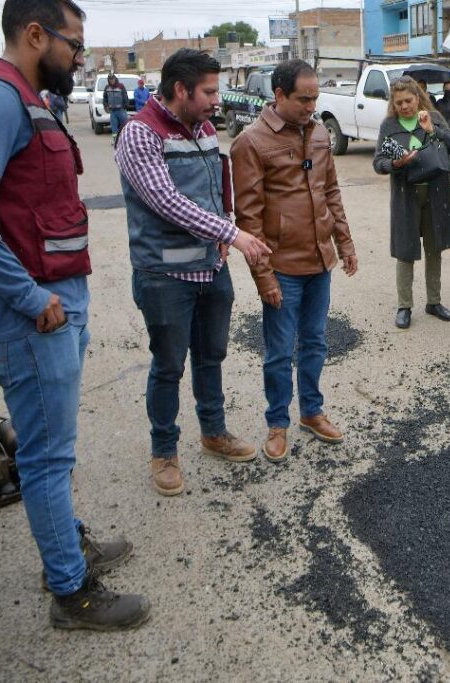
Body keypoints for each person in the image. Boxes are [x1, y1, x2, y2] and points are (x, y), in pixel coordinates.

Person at [0, 0, 150, 630]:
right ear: (35, 33)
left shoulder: (28, 97)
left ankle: (67, 546)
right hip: (31, 314)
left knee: (50, 448)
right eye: (73, 44)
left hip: (52, 304)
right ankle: (73, 592)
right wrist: (27, 295)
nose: (79, 56)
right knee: (46, 456)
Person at [116, 48, 271, 496]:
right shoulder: (140, 134)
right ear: (180, 90)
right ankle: (164, 451)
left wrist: (225, 228)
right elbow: (167, 202)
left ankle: (213, 431)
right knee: (168, 366)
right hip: (165, 275)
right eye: (207, 91)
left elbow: (212, 186)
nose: (215, 100)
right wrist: (234, 233)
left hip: (210, 267)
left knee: (212, 357)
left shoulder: (203, 129)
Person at [231, 60, 358, 461]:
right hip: (282, 268)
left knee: (316, 343)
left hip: (320, 262)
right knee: (279, 351)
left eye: (315, 98)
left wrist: (345, 243)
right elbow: (248, 218)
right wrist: (263, 277)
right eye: (303, 99)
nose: (311, 106)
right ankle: (277, 423)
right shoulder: (251, 143)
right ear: (279, 95)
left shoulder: (319, 133)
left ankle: (312, 411)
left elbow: (331, 192)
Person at [373, 76, 450, 330]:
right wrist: (395, 164)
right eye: (399, 103)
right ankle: (404, 306)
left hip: (435, 194)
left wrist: (433, 129)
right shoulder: (389, 125)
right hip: (405, 195)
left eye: (408, 100)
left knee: (434, 249)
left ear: (418, 97)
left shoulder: (433, 117)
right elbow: (378, 162)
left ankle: (434, 302)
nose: (404, 107)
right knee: (405, 252)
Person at [103, 72, 128, 144]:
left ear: (115, 79)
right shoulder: (107, 87)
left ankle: (125, 140)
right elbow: (105, 98)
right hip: (113, 111)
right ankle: (115, 141)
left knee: (124, 126)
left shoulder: (121, 86)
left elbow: (125, 96)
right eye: (110, 79)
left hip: (121, 110)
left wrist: (125, 106)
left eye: (112, 79)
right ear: (108, 80)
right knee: (114, 128)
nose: (111, 80)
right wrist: (106, 106)